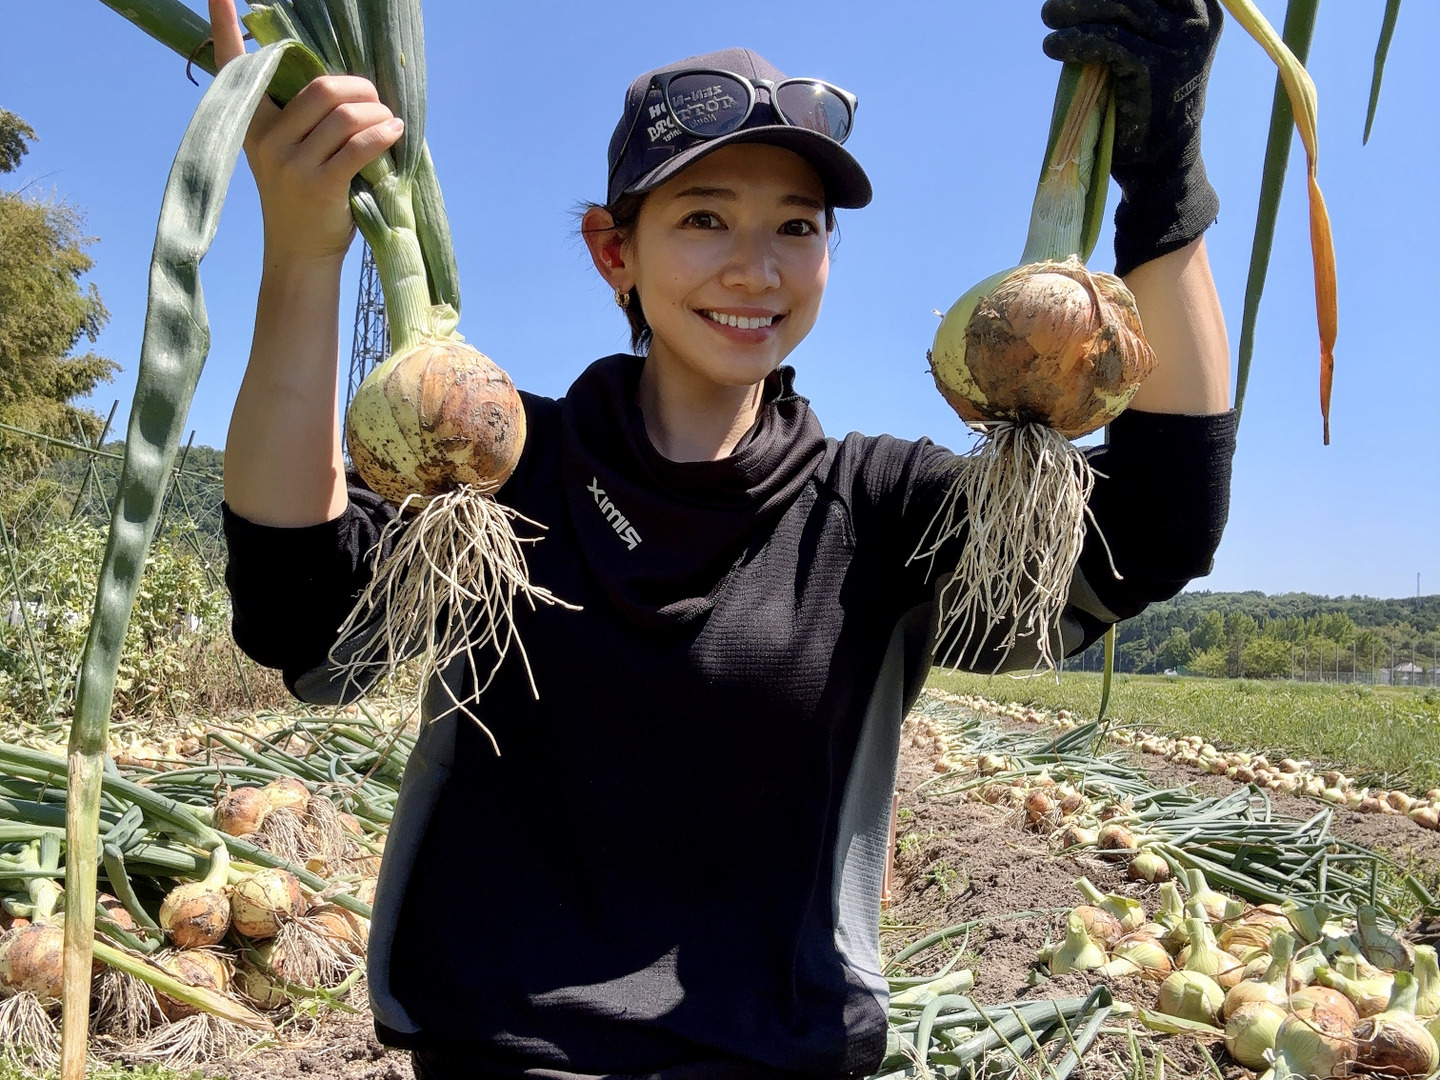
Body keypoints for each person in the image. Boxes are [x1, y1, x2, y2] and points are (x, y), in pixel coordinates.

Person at [215, 0, 1235, 1075]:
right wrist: (305, 249)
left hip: (773, 1058)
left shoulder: (874, 506)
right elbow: (296, 608)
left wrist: (1165, 185)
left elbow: (1155, 529)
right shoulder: (500, 468)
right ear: (616, 251)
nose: (759, 269)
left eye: (797, 226)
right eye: (705, 218)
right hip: (499, 1052)